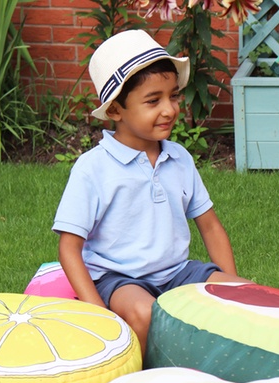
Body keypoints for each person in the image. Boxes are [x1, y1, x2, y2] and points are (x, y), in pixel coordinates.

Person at [53, 30, 249, 353]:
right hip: (119, 279)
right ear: (115, 110)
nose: (170, 109)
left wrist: (227, 301)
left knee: (247, 295)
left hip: (178, 273)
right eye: (153, 100)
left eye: (173, 96)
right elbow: (68, 249)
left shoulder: (179, 159)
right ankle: (139, 381)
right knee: (145, 314)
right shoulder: (92, 169)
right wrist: (97, 312)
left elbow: (211, 227)